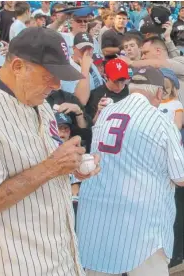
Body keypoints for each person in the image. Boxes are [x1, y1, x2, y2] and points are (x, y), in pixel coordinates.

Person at [0, 27, 101, 276]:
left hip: (63, 259)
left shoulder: (39, 102)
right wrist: (52, 167)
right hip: (18, 265)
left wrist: (70, 165)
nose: (56, 84)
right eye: (49, 75)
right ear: (18, 66)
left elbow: (42, 164)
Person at [77, 67, 184, 276]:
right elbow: (180, 177)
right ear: (160, 93)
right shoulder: (161, 120)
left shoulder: (106, 112)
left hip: (97, 214)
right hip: (142, 222)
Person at [61, 32, 103, 105]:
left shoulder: (90, 62)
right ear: (73, 48)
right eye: (83, 49)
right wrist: (85, 69)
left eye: (89, 49)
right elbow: (80, 102)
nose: (86, 53)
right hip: (86, 112)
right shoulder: (67, 70)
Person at [86, 58, 129, 122]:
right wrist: (98, 113)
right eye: (115, 82)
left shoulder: (129, 91)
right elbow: (90, 126)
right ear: (106, 77)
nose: (120, 86)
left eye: (122, 81)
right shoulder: (95, 95)